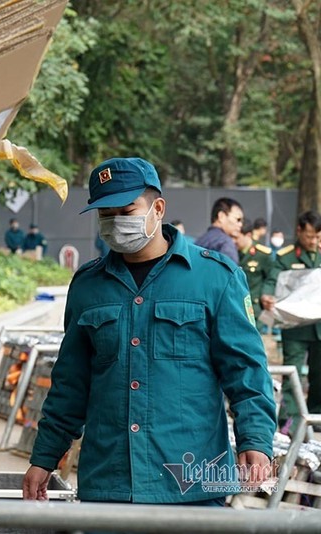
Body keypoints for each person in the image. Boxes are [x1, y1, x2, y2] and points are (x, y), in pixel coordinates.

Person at [22, 157, 276, 507]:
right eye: (105, 215)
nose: (115, 223)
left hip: (191, 487)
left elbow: (246, 371)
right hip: (109, 486)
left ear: (157, 208)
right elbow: (71, 383)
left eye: (126, 210)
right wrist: (44, 457)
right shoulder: (88, 287)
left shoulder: (216, 278)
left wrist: (255, 441)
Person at [261, 210, 321, 434]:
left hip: (319, 328)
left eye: (317, 236)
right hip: (295, 328)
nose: (313, 241)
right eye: (309, 236)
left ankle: (316, 418)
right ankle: (289, 424)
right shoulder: (287, 256)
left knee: (319, 374)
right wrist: (267, 296)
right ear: (299, 231)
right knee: (292, 374)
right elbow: (272, 280)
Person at [235, 219, 273, 327]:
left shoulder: (262, 254)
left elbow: (271, 279)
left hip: (255, 310)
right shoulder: (231, 252)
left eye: (237, 237)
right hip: (236, 308)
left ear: (248, 235)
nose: (233, 241)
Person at [194, 197, 244, 261]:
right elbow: (229, 270)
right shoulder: (225, 242)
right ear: (221, 216)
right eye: (238, 219)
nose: (240, 224)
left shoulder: (200, 240)